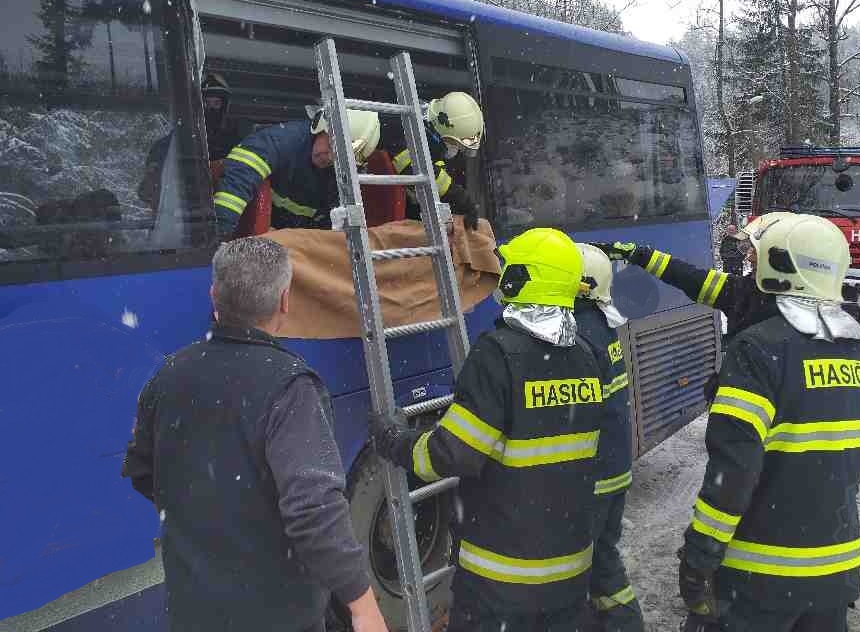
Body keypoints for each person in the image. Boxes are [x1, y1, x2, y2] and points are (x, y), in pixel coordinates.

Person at [121, 237, 387, 632]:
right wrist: (363, 605)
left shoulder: (168, 374)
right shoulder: (290, 386)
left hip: (193, 611)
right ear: (284, 301)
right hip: (277, 615)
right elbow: (314, 510)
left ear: (215, 296)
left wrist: (210, 514)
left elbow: (143, 470)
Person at [369, 227, 604, 632]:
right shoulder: (586, 356)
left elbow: (449, 455)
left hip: (501, 582)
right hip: (570, 575)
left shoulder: (497, 356)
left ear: (520, 279)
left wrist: (393, 440)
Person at [676, 213, 860, 632]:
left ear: (779, 265)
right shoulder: (859, 351)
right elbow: (849, 464)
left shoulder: (758, 349)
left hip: (762, 575)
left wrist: (700, 554)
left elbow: (733, 471)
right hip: (837, 568)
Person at [594, 212, 794, 404]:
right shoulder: (745, 291)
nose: (749, 258)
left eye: (756, 252)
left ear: (780, 259)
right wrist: (639, 255)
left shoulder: (751, 296)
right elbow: (689, 276)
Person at [575, 243, 644, 632]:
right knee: (602, 559)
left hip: (595, 477)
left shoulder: (578, 333)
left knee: (583, 565)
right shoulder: (600, 324)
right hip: (613, 471)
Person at [212, 106, 380, 238]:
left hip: (291, 245)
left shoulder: (341, 179)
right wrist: (220, 234)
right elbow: (240, 175)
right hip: (250, 235)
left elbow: (334, 228)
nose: (329, 158)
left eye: (339, 159)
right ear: (319, 127)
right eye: (329, 147)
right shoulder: (283, 140)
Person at [382, 90, 484, 230]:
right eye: (455, 144)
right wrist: (461, 199)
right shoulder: (408, 126)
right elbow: (416, 168)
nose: (456, 150)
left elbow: (436, 170)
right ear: (443, 127)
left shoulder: (430, 138)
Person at [138, 72, 237, 209]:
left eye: (216, 103)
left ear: (224, 106)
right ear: (194, 107)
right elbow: (147, 192)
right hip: (180, 222)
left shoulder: (235, 146)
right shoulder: (167, 146)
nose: (211, 109)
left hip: (222, 220)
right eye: (206, 103)